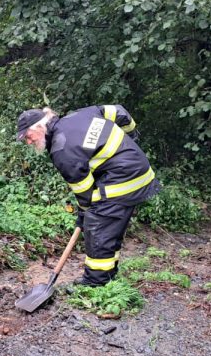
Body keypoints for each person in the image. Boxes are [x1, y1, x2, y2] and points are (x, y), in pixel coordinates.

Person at [16, 105, 161, 287]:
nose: (28, 142)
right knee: (109, 227)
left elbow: (84, 192)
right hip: (139, 172)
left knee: (97, 226)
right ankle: (109, 276)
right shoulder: (80, 115)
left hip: (123, 182)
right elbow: (119, 111)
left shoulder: (62, 150)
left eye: (28, 137)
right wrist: (131, 137)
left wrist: (84, 214)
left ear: (39, 127)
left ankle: (95, 284)